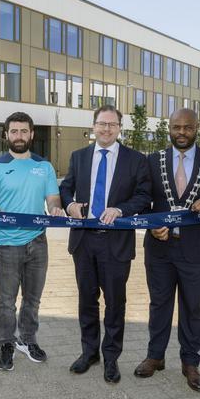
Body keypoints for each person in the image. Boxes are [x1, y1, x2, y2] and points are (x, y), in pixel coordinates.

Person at [133, 108, 200, 392]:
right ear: (169, 127)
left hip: (196, 250)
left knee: (192, 307)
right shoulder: (151, 161)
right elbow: (142, 202)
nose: (181, 132)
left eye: (187, 127)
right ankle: (155, 356)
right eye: (176, 127)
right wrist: (151, 225)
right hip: (159, 249)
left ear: (197, 128)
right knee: (158, 305)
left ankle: (190, 363)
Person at [58, 105, 151, 383]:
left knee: (115, 303)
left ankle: (111, 356)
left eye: (112, 124)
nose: (106, 129)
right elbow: (65, 187)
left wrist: (121, 209)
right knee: (87, 299)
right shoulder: (79, 157)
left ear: (120, 128)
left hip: (116, 243)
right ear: (93, 126)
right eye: (102, 124)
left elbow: (144, 196)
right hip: (84, 242)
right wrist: (70, 204)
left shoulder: (135, 160)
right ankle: (89, 352)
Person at [0, 111, 65, 371]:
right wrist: (6, 220)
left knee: (33, 298)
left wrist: (56, 209)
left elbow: (53, 199)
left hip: (37, 242)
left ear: (32, 134)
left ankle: (28, 340)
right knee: (7, 300)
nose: (19, 136)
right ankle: (6, 343)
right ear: (6, 134)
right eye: (14, 131)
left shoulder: (45, 166)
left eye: (24, 131)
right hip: (6, 243)